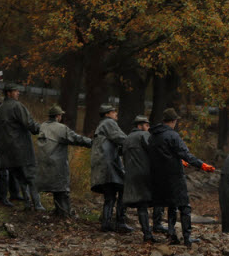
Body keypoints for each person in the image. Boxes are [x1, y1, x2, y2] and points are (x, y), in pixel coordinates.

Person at [148, 108, 215, 247]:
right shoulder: (173, 136)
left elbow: (163, 155)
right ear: (174, 121)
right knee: (184, 207)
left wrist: (178, 160)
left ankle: (172, 235)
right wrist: (201, 165)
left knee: (171, 206)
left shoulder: (153, 136)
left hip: (159, 177)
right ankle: (187, 238)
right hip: (174, 176)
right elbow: (185, 154)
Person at [35, 105, 92, 217]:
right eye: (61, 115)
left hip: (43, 163)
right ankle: (64, 213)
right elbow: (76, 138)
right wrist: (92, 142)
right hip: (57, 163)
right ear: (58, 116)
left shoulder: (43, 126)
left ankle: (59, 211)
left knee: (56, 189)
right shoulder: (61, 128)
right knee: (62, 189)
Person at [0, 83, 43, 210]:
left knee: (21, 178)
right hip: (21, 147)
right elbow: (30, 124)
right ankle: (38, 205)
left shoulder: (1, 107)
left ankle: (28, 204)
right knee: (31, 176)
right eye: (15, 91)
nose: (18, 93)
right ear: (8, 93)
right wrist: (43, 129)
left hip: (8, 150)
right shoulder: (17, 106)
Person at [90, 104, 132, 232]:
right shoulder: (109, 123)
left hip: (102, 165)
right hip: (109, 165)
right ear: (107, 114)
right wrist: (134, 142)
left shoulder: (100, 126)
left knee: (110, 195)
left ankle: (106, 222)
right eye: (114, 112)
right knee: (125, 188)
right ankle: (120, 221)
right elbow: (120, 138)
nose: (116, 114)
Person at [122, 115, 157, 242]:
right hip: (145, 174)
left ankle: (147, 233)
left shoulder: (126, 139)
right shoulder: (144, 135)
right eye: (146, 125)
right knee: (156, 200)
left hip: (130, 175)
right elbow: (154, 150)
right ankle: (151, 233)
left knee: (141, 206)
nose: (148, 128)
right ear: (139, 126)